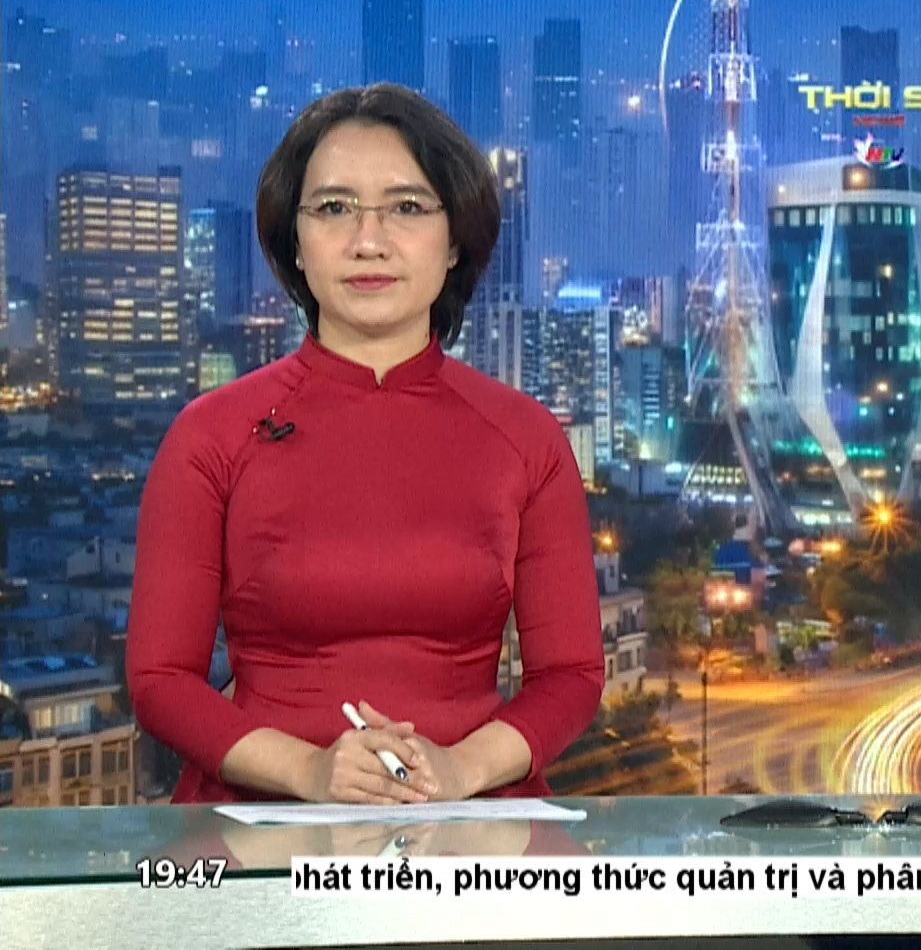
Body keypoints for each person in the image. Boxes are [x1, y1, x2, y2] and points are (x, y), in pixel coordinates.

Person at [129, 84, 604, 805]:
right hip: (257, 829)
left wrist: (459, 770)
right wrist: (309, 771)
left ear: (455, 241)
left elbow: (571, 676)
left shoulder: (527, 438)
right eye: (333, 208)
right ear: (294, 241)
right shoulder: (211, 435)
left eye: (407, 208)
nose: (368, 240)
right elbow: (160, 680)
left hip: (470, 823)